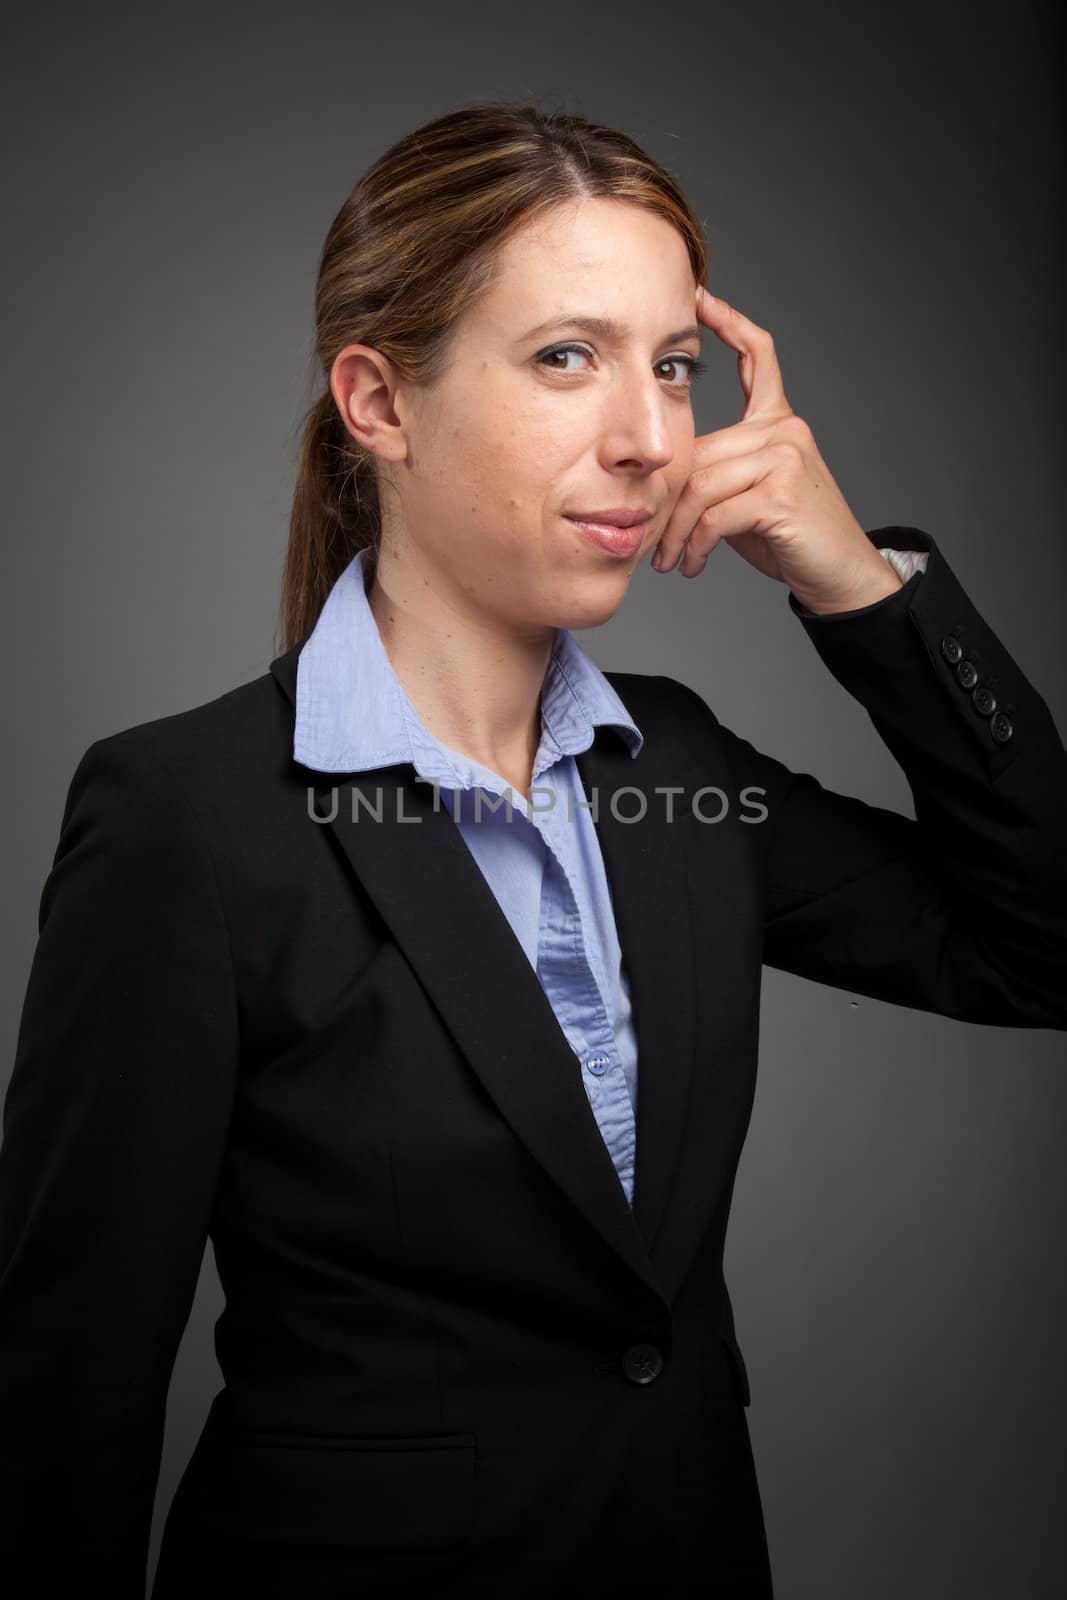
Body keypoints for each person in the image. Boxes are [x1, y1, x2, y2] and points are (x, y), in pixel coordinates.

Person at [1, 99, 1064, 1600]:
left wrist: (856, 586)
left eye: (674, 365)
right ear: (378, 401)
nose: (649, 437)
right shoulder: (189, 816)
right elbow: (67, 1387)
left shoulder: (672, 768)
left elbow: (1040, 947)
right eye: (568, 356)